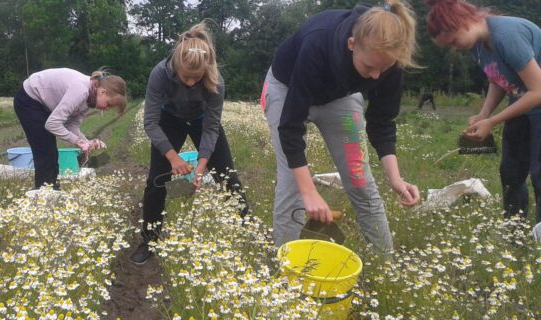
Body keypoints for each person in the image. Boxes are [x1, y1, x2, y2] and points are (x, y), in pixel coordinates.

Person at [261, 0, 421, 255]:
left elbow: (382, 123)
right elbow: (290, 127)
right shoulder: (318, 42)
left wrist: (396, 179)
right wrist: (310, 193)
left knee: (360, 181)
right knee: (293, 183)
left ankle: (384, 266)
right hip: (287, 87)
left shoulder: (389, 62)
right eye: (369, 67)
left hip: (340, 96)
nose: (376, 76)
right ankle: (286, 266)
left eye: (384, 68)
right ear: (352, 45)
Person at [130, 22, 250, 265]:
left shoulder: (216, 80)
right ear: (176, 65)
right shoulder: (160, 74)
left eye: (198, 78)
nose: (193, 83)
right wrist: (173, 157)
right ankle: (149, 241)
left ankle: (249, 232)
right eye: (187, 77)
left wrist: (201, 165)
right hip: (168, 119)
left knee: (227, 176)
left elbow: (212, 127)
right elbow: (151, 123)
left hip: (202, 119)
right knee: (156, 180)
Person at [426, 0, 541, 223]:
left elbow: (538, 91)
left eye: (453, 41)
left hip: (536, 99)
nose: (454, 48)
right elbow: (497, 78)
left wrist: (493, 121)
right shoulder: (477, 45)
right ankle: (513, 233)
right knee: (511, 173)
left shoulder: (507, 35)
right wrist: (484, 114)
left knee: (540, 177)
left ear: (462, 22)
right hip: (523, 104)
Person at [13, 68, 127, 190]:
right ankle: (45, 194)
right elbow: (52, 124)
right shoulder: (81, 91)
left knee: (50, 152)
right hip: (29, 99)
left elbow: (71, 125)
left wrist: (86, 142)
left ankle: (50, 191)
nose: (107, 109)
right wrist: (77, 141)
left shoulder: (89, 98)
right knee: (46, 152)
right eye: (109, 104)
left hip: (42, 103)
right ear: (103, 92)